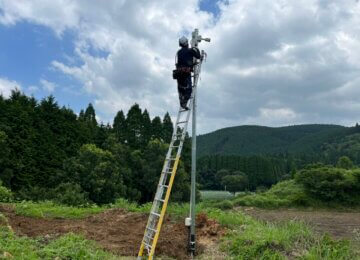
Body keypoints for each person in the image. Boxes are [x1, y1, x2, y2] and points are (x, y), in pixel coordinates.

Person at [175, 36, 201, 110]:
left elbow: (183, 60)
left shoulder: (179, 52)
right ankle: (184, 102)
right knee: (189, 89)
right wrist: (196, 48)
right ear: (186, 43)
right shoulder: (190, 50)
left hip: (178, 73)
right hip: (186, 73)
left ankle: (182, 102)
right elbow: (198, 56)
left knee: (181, 89)